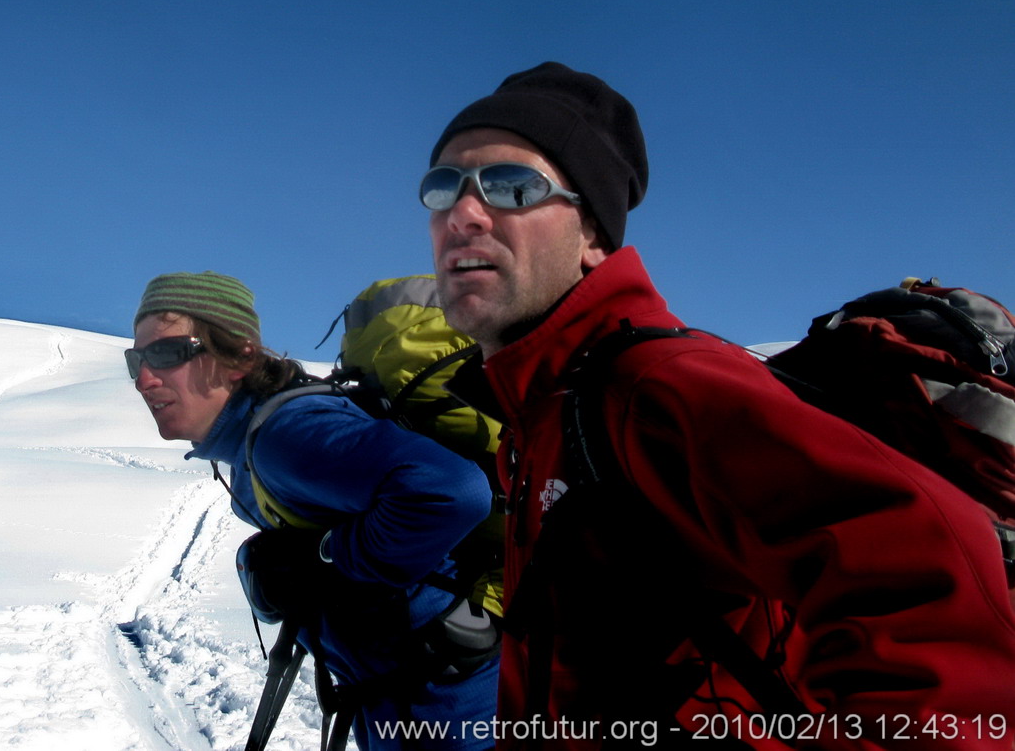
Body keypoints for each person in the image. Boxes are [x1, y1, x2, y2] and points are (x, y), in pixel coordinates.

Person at [424, 61, 1015, 749]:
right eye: (443, 187)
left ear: (590, 235)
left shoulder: (657, 387)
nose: (462, 214)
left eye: (510, 186)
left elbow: (929, 574)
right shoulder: (543, 415)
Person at [128, 270, 502, 751]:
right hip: (409, 706)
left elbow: (454, 491)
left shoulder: (285, 435)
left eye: (166, 353)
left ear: (239, 356)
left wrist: (323, 558)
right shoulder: (249, 449)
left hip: (454, 714)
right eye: (135, 358)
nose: (143, 378)